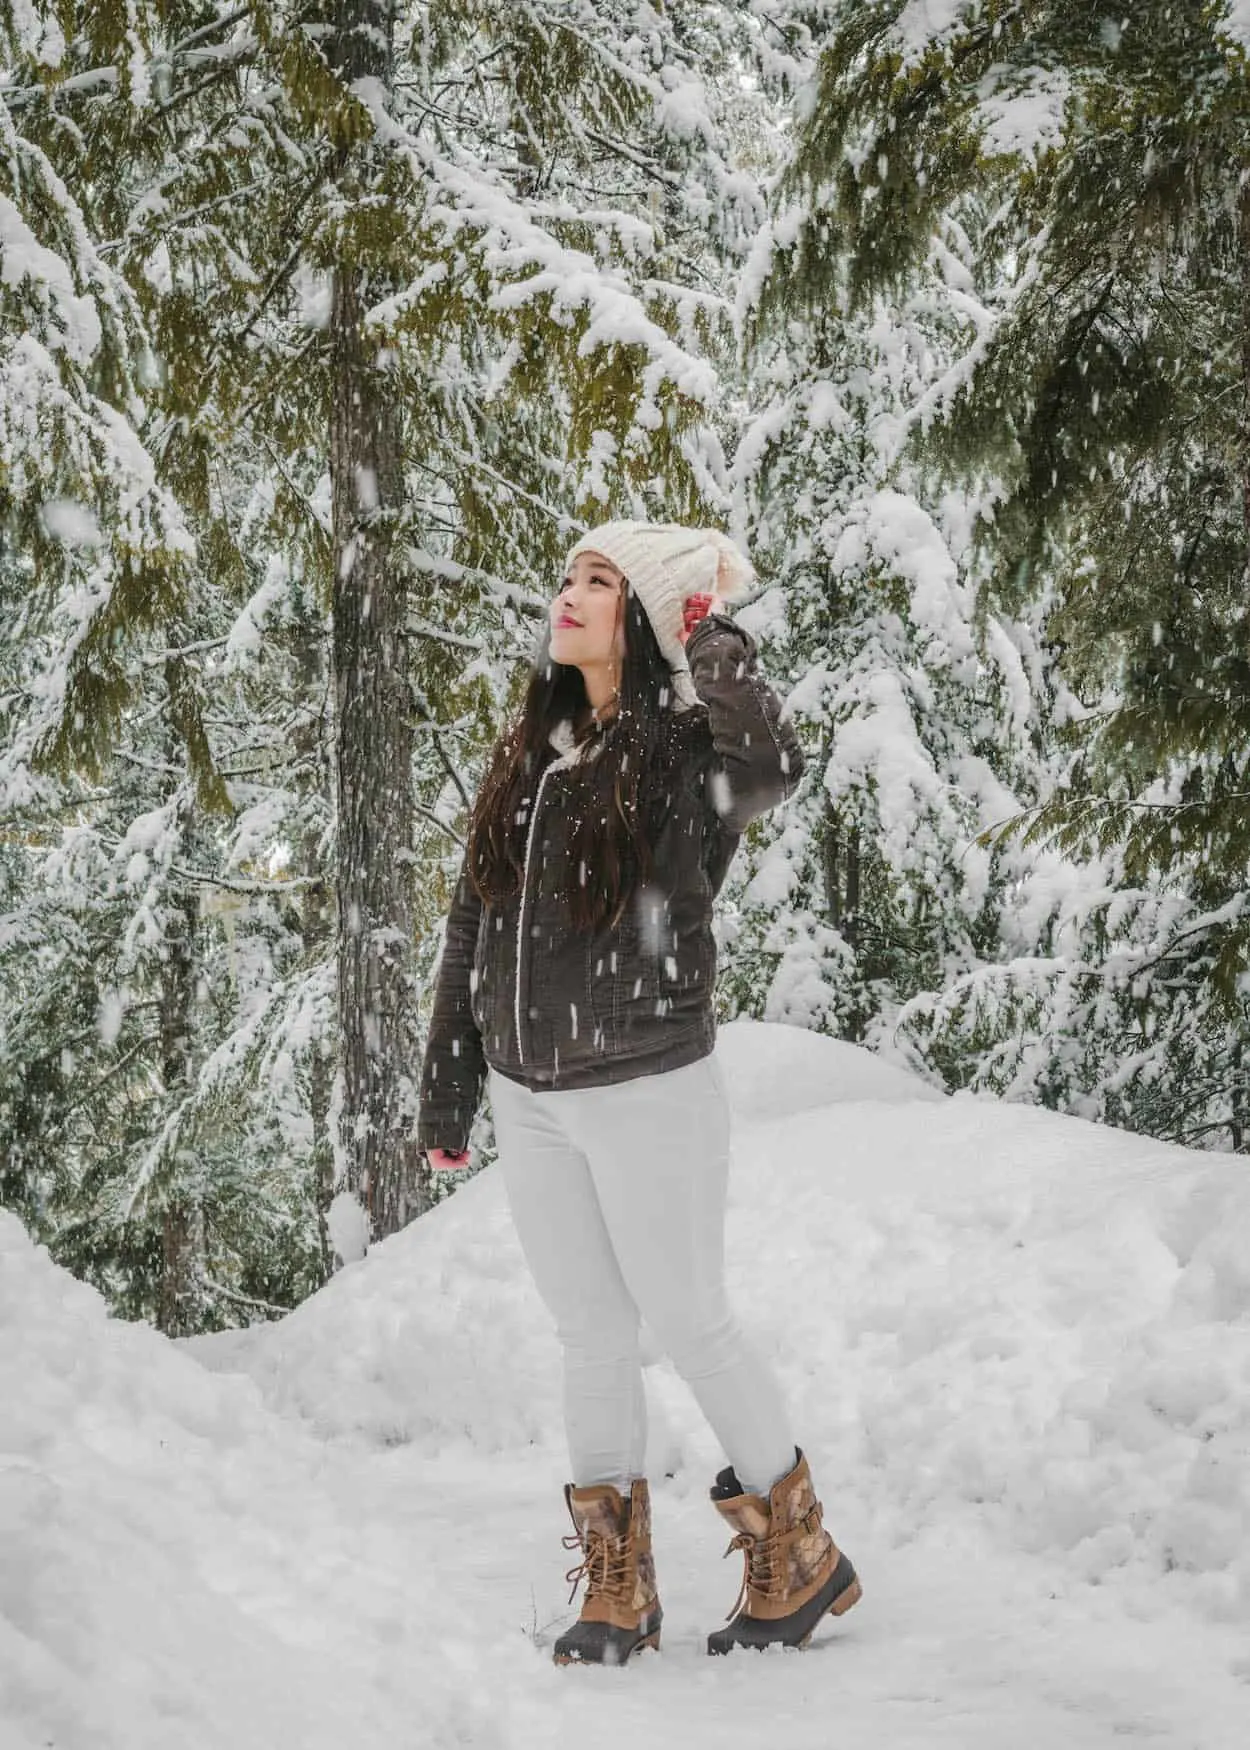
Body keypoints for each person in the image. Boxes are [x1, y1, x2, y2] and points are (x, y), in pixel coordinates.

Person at [416, 521, 861, 1665]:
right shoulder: (530, 750)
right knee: (590, 1334)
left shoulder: (677, 752)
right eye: (564, 573)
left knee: (688, 1317)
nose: (567, 593)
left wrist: (708, 630)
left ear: (645, 615)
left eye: (600, 580)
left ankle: (797, 1549)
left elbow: (769, 762)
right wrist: (448, 1091)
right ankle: (617, 1587)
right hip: (531, 1094)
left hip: (647, 1084)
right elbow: (474, 927)